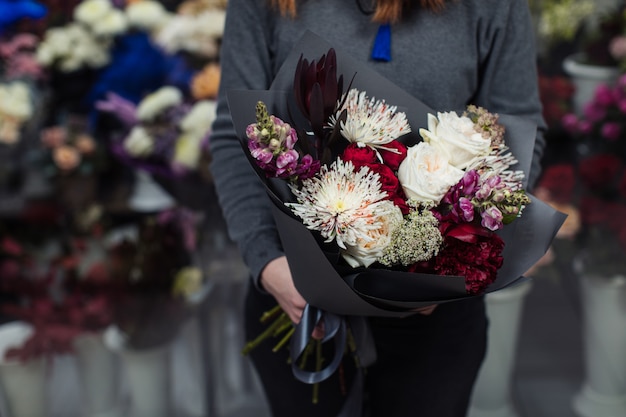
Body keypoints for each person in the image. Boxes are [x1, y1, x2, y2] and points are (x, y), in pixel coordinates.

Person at [208, 0, 545, 416]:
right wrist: (267, 261)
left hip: (435, 309)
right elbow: (234, 133)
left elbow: (514, 124)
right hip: (292, 293)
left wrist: (449, 266)